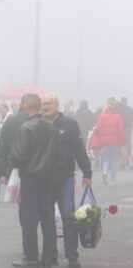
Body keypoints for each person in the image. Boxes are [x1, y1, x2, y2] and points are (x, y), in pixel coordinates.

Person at [41, 94, 92, 268]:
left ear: (57, 105)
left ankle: (72, 256)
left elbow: (79, 149)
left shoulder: (69, 124)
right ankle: (50, 255)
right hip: (44, 179)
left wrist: (87, 172)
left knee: (68, 217)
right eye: (42, 104)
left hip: (65, 178)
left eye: (48, 104)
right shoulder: (38, 123)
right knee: (47, 219)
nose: (45, 107)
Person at [10, 94, 60, 268]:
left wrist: (14, 162)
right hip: (48, 176)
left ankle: (30, 255)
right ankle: (50, 255)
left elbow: (19, 155)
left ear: (24, 105)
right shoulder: (51, 127)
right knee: (47, 215)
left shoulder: (26, 128)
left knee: (29, 218)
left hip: (30, 176)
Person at [0, 98, 29, 183]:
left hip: (12, 167)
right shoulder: (42, 122)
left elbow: (1, 147)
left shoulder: (10, 120)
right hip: (35, 172)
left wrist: (2, 172)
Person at [94, 97, 125, 185]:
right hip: (116, 141)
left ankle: (104, 172)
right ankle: (112, 180)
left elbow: (98, 128)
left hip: (105, 141)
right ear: (116, 108)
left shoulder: (102, 116)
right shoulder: (118, 117)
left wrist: (99, 135)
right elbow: (121, 130)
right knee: (114, 159)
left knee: (106, 158)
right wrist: (123, 141)